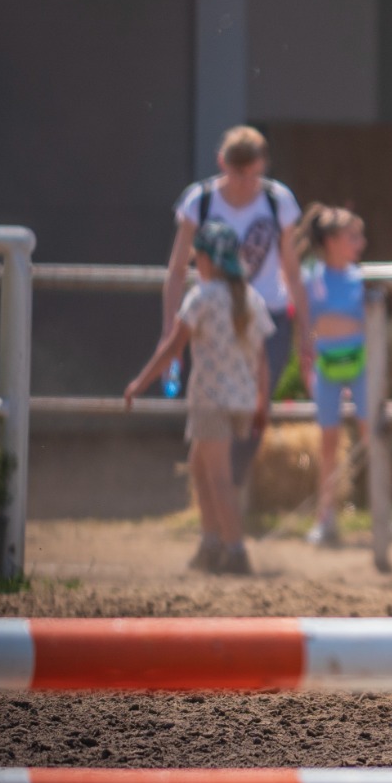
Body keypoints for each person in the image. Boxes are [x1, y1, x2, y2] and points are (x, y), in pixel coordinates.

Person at [163, 127, 308, 502]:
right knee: (212, 415)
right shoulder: (202, 200)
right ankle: (217, 511)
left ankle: (228, 497)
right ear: (222, 164)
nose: (246, 184)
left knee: (255, 411)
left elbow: (292, 270)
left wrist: (304, 332)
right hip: (214, 320)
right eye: (238, 174)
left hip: (266, 320)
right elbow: (178, 268)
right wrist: (171, 332)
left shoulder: (278, 201)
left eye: (254, 174)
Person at [125, 221, 271, 575]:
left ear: (205, 259)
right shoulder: (250, 298)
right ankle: (210, 543)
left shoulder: (201, 297)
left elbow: (173, 347)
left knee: (217, 476)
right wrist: (262, 400)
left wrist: (140, 382)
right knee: (200, 467)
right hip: (239, 399)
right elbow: (263, 359)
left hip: (210, 400)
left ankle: (234, 549)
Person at [296, 205, 370, 550]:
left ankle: (382, 514)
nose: (361, 243)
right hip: (327, 366)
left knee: (372, 437)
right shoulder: (310, 277)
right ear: (330, 241)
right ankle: (326, 517)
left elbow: (364, 323)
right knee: (328, 443)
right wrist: (307, 356)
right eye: (352, 236)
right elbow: (310, 325)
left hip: (361, 365)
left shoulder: (361, 277)